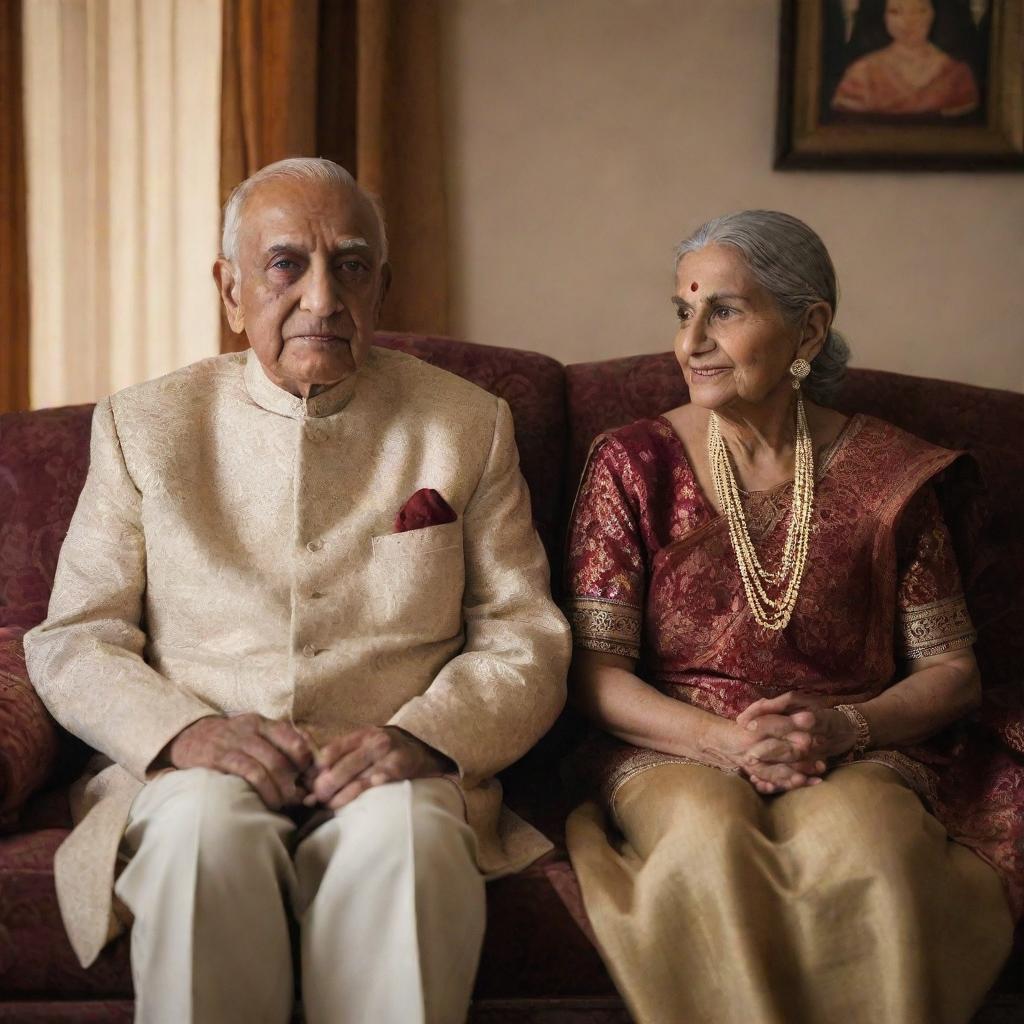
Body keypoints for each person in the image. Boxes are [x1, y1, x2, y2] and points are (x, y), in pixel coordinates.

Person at [24, 157, 570, 1024]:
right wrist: (185, 734)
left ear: (381, 287)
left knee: (413, 847)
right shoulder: (144, 426)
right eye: (286, 264)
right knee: (203, 841)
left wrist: (423, 739)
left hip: (396, 769)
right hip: (197, 770)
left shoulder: (469, 424)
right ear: (231, 291)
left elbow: (524, 637)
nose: (322, 298)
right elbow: (75, 635)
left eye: (350, 266)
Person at [563, 210, 1019, 1024]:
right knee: (707, 842)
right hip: (675, 741)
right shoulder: (632, 464)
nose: (691, 340)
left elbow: (954, 674)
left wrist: (844, 728)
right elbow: (595, 675)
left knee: (870, 847)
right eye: (682, 311)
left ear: (809, 328)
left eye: (724, 311)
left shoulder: (893, 476)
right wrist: (724, 742)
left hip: (856, 745)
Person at [831, 0, 979, 115]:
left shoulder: (957, 74)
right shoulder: (862, 73)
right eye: (895, 11)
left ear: (935, 13)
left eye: (920, 10)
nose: (908, 21)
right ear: (883, 16)